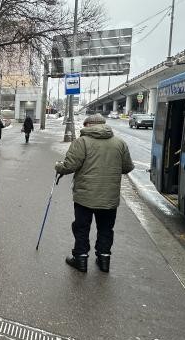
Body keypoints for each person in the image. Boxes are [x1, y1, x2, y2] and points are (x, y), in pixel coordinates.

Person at [55, 113, 134, 273]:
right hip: (109, 197)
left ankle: (81, 259)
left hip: (85, 196)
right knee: (106, 229)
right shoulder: (119, 143)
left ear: (88, 125)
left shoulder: (82, 142)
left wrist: (58, 167)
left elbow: (69, 166)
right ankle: (104, 260)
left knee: (81, 228)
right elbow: (127, 167)